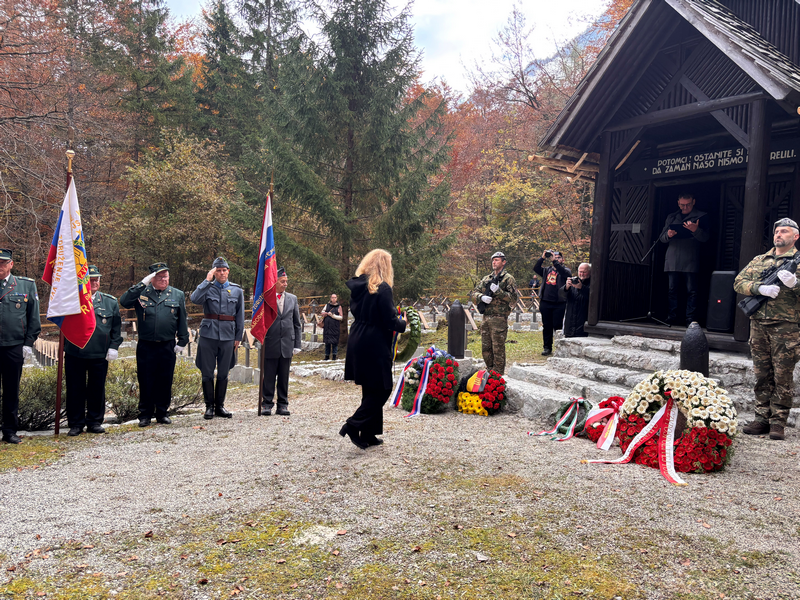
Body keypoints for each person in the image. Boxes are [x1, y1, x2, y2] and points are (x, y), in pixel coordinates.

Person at [734, 218, 800, 441]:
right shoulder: (760, 260)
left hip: (786, 327)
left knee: (782, 375)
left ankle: (778, 422)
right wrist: (759, 288)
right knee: (762, 374)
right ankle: (761, 418)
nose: (779, 234)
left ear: (795, 236)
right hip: (759, 325)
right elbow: (739, 282)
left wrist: (795, 284)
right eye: (777, 231)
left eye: (784, 231)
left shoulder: (798, 261)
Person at [341, 249, 407, 449]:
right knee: (383, 388)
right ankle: (353, 425)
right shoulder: (382, 288)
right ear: (384, 266)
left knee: (370, 387)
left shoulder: (358, 286)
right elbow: (389, 320)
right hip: (374, 341)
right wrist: (403, 323)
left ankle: (369, 433)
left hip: (358, 337)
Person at [119, 262, 189, 427]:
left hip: (167, 345)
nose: (164, 279)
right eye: (159, 277)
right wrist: (142, 284)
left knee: (165, 379)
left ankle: (162, 413)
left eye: (166, 276)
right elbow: (124, 301)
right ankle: (145, 415)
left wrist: (183, 340)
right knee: (146, 379)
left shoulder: (177, 294)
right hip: (147, 345)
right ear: (151, 279)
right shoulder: (142, 293)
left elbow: (182, 318)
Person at [65, 265, 123, 436]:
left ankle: (94, 421)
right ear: (83, 281)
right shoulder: (71, 300)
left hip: (99, 353)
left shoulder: (110, 302)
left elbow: (116, 328)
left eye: (97, 279)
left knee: (97, 388)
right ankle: (76, 423)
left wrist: (113, 347)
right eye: (90, 280)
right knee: (75, 389)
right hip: (75, 352)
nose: (94, 282)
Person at [190, 257, 244, 420]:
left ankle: (220, 406)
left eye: (224, 270)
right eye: (218, 271)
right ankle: (209, 407)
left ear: (228, 271)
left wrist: (238, 336)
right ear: (214, 272)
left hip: (228, 335)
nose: (221, 273)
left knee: (223, 372)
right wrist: (207, 280)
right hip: (208, 335)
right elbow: (194, 299)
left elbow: (240, 315)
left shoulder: (237, 290)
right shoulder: (207, 288)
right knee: (207, 372)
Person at [0, 249, 41, 444]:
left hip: (14, 346)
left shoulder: (26, 285)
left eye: (3, 262)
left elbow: (33, 317)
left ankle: (9, 431)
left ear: (11, 264)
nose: (0, 266)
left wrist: (28, 343)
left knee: (11, 390)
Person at [658, 193, 709, 325]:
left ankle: (690, 319)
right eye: (682, 205)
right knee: (672, 290)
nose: (685, 207)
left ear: (694, 202)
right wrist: (668, 235)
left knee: (692, 291)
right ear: (678, 203)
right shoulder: (672, 217)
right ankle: (672, 317)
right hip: (672, 257)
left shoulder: (701, 216)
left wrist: (696, 230)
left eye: (688, 205)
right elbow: (661, 238)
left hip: (690, 257)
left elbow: (706, 238)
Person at [260, 267, 302, 416]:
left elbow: (297, 323)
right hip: (270, 343)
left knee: (284, 377)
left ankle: (282, 405)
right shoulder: (266, 298)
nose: (285, 284)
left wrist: (297, 344)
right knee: (269, 376)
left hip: (287, 344)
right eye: (282, 281)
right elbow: (260, 321)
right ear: (275, 282)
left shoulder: (292, 298)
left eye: (286, 281)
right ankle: (267, 404)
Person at [469, 251, 519, 375]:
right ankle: (490, 371)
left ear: (503, 262)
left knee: (498, 348)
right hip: (486, 317)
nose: (494, 262)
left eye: (497, 260)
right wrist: (481, 297)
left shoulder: (508, 279)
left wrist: (499, 292)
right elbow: (473, 293)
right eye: (493, 260)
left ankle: (498, 375)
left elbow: (514, 299)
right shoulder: (487, 279)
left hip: (499, 318)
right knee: (486, 348)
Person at [533, 250, 571, 356]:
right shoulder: (546, 270)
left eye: (558, 257)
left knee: (558, 326)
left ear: (563, 260)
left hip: (559, 303)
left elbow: (564, 273)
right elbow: (536, 268)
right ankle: (547, 347)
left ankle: (560, 348)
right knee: (547, 326)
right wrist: (542, 257)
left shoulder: (566, 271)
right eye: (554, 257)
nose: (556, 259)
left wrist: (555, 262)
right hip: (545, 302)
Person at [560, 262, 591, 338]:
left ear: (590, 272)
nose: (582, 274)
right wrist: (566, 287)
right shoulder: (574, 282)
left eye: (584, 272)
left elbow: (592, 297)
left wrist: (582, 288)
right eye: (580, 272)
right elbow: (561, 295)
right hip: (570, 324)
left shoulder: (593, 283)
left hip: (583, 324)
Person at [320, 293, 342, 360]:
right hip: (327, 327)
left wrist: (333, 316)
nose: (333, 299)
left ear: (336, 298)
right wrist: (325, 313)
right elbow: (322, 312)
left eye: (335, 297)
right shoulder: (327, 305)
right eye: (332, 297)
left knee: (334, 342)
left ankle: (334, 356)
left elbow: (341, 317)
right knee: (327, 343)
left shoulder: (339, 307)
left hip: (335, 327)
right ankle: (327, 356)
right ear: (330, 298)